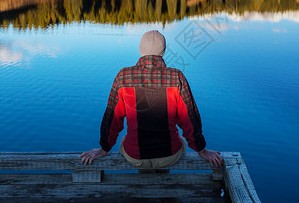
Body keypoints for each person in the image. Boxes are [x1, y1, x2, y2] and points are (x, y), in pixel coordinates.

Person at [80, 30, 223, 169]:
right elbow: (190, 118)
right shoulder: (176, 77)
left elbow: (112, 118)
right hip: (169, 155)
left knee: (125, 141)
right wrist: (202, 150)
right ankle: (162, 182)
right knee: (178, 142)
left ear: (140, 50)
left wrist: (104, 148)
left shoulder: (123, 76)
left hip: (135, 157)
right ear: (164, 51)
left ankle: (145, 182)